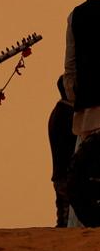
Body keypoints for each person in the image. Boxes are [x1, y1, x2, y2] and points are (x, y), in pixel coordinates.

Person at [63, 0, 100, 226]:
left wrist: (75, 97)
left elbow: (70, 66)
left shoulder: (76, 16)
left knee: (85, 170)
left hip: (88, 107)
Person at [47, 75, 77, 227]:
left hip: (61, 174)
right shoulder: (66, 114)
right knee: (66, 221)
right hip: (66, 175)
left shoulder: (59, 111)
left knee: (64, 218)